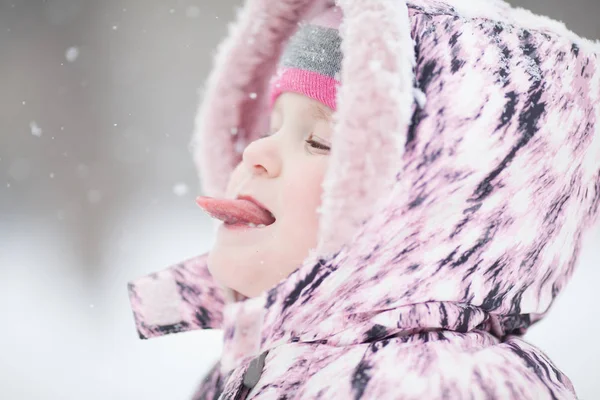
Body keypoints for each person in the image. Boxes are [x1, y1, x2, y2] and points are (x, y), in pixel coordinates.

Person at [127, 1, 600, 399]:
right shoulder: (280, 355)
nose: (255, 151)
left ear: (427, 211)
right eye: (272, 128)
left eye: (319, 141)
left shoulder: (429, 385)